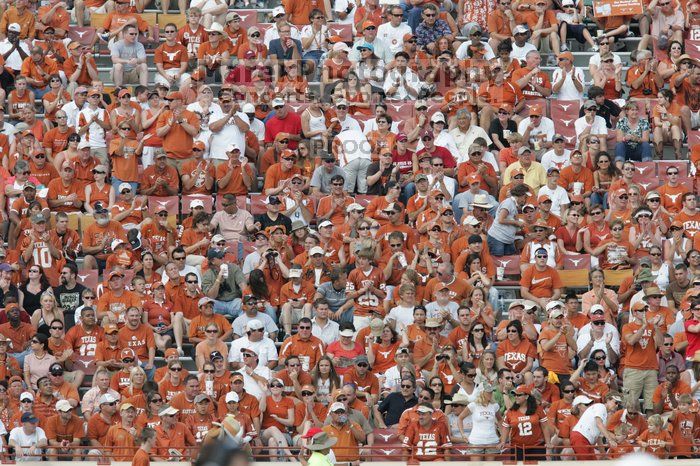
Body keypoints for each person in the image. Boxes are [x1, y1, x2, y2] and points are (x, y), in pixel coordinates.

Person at [570, 392, 622, 460]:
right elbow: (599, 424)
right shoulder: (600, 406)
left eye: (618, 404)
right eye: (616, 402)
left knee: (592, 462)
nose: (617, 406)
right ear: (608, 400)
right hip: (581, 437)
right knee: (586, 464)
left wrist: (604, 456)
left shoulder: (603, 413)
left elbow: (599, 438)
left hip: (585, 439)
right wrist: (610, 440)